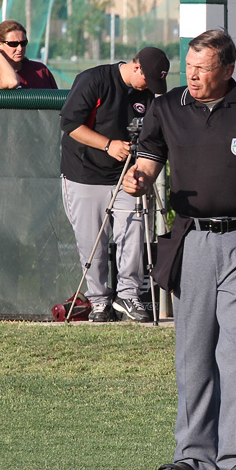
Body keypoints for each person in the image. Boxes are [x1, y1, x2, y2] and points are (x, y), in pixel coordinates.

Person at [122, 29, 236, 470]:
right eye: (189, 66)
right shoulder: (166, 107)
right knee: (193, 353)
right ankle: (193, 456)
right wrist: (138, 180)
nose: (193, 75)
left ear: (229, 69)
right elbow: (147, 163)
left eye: (203, 68)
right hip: (191, 241)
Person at [59, 46, 170, 322]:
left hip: (126, 175)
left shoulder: (148, 95)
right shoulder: (94, 80)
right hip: (84, 173)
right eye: (149, 80)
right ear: (136, 67)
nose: (151, 88)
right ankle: (98, 300)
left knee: (133, 231)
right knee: (92, 243)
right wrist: (108, 145)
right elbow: (70, 124)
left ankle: (128, 296)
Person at [0, 20, 58, 89]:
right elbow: (12, 82)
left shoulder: (40, 70)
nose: (20, 48)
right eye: (13, 44)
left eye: (23, 43)